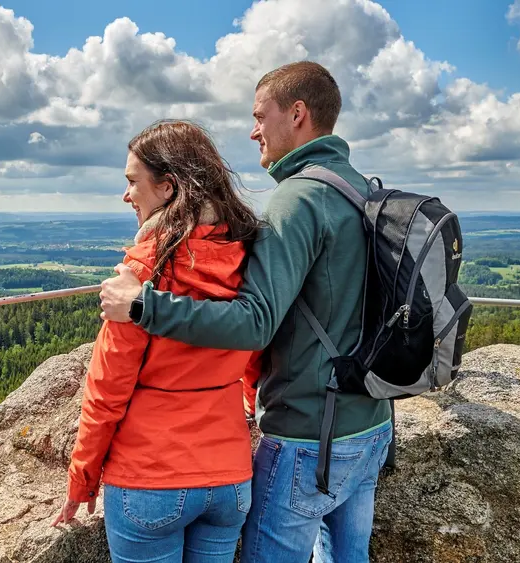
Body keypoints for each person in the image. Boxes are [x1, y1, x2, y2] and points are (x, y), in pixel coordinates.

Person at [98, 61, 393, 563]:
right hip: (371, 422)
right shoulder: (361, 188)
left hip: (308, 434)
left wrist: (144, 304)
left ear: (297, 114)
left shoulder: (299, 199)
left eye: (260, 116)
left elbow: (254, 324)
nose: (252, 130)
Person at [52, 119, 264, 563]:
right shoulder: (247, 253)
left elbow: (108, 390)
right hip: (229, 477)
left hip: (151, 477)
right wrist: (247, 401)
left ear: (167, 188)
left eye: (133, 182)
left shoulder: (144, 269)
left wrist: (83, 477)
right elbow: (255, 344)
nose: (126, 195)